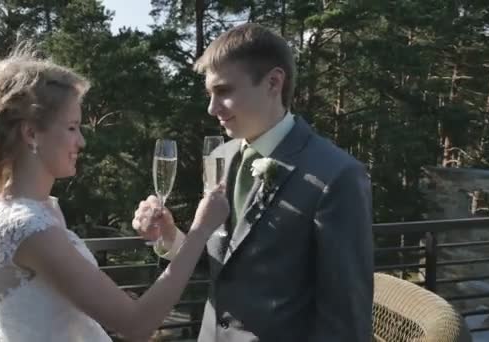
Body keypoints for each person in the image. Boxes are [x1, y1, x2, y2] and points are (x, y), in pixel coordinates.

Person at [0, 45, 229, 342]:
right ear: (32, 134)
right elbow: (136, 325)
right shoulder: (28, 227)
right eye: (72, 127)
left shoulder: (41, 209)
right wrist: (201, 230)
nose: (82, 141)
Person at [133, 23, 374, 341]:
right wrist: (172, 238)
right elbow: (221, 263)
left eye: (224, 91)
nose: (211, 108)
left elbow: (346, 318)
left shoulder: (337, 175)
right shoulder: (219, 157)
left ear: (274, 82)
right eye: (210, 94)